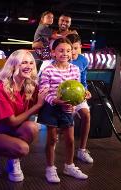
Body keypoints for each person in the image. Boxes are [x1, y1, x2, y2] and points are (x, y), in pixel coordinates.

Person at [0, 50, 48, 182]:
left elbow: (48, 100)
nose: (29, 66)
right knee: (23, 149)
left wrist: (73, 101)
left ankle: (13, 160)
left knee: (32, 127)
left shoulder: (29, 86)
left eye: (31, 63)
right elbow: (12, 122)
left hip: (8, 130)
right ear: (13, 65)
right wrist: (37, 106)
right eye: (24, 62)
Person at [38, 38, 88, 183]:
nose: (65, 53)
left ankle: (69, 166)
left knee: (71, 140)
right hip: (52, 107)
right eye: (61, 50)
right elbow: (43, 90)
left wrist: (83, 96)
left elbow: (77, 89)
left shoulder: (75, 69)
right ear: (53, 53)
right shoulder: (48, 70)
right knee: (52, 139)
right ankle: (50, 168)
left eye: (68, 50)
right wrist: (55, 100)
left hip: (67, 108)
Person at [65, 33, 93, 163]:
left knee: (86, 115)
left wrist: (86, 90)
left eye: (77, 48)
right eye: (72, 48)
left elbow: (83, 79)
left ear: (80, 47)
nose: (74, 52)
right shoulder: (63, 59)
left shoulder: (83, 60)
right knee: (64, 124)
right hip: (64, 96)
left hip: (79, 94)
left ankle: (82, 150)